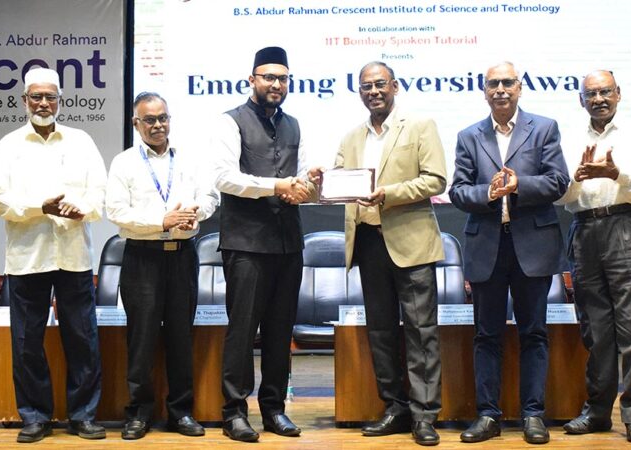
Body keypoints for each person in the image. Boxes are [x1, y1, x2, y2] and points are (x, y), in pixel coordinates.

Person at [315, 61, 447, 446]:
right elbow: (339, 183)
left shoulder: (420, 126)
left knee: (421, 332)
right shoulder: (351, 137)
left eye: (380, 85)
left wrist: (388, 193)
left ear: (395, 86)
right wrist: (322, 183)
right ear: (359, 92)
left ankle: (424, 415)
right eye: (366, 87)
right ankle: (395, 407)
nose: (373, 92)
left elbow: (436, 179)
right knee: (381, 331)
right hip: (368, 242)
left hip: (412, 243)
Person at [449, 61, 569, 445]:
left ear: (519, 87)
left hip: (533, 245)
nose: (500, 89)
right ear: (484, 91)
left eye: (507, 83)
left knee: (534, 333)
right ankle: (488, 416)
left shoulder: (544, 128)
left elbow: (558, 181)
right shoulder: (469, 136)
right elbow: (457, 191)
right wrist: (487, 193)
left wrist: (518, 186)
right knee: (486, 335)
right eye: (493, 84)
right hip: (487, 246)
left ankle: (533, 415)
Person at [0, 67, 107, 443]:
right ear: (24, 101)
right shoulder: (9, 145)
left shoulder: (81, 141)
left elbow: (99, 193)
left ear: (59, 100)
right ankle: (35, 417)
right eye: (36, 97)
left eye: (50, 97)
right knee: (26, 343)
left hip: (73, 255)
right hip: (28, 257)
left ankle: (82, 416)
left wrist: (81, 209)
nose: (43, 103)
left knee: (82, 340)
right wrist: (40, 207)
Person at [558, 70, 631, 443]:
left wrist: (617, 174)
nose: (599, 99)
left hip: (629, 226)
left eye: (605, 91)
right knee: (595, 329)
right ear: (581, 100)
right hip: (585, 230)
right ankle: (597, 412)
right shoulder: (570, 137)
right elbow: (560, 196)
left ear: (618, 94)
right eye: (591, 94)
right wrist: (575, 178)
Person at [212, 46, 311, 442]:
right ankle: (234, 412)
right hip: (246, 243)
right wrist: (277, 185)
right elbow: (224, 177)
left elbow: (302, 174)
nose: (276, 84)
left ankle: (274, 409)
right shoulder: (230, 121)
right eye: (269, 77)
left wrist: (308, 185)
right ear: (252, 79)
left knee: (280, 331)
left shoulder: (295, 125)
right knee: (242, 332)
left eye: (282, 78)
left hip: (288, 242)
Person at [105, 92, 218, 440]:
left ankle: (180, 413)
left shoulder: (190, 158)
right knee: (141, 339)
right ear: (136, 123)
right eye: (150, 120)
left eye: (163, 118)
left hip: (183, 255)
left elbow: (211, 197)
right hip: (142, 257)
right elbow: (116, 212)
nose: (158, 125)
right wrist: (162, 220)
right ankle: (138, 414)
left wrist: (195, 213)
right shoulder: (123, 163)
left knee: (181, 338)